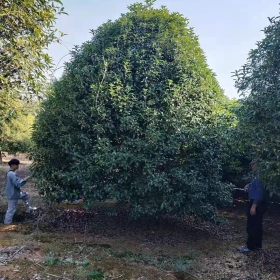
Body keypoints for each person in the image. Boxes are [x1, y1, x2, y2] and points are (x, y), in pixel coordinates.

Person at [237, 160, 267, 253]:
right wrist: (249, 184)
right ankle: (257, 245)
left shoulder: (260, 176)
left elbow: (260, 192)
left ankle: (250, 247)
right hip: (258, 203)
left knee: (252, 225)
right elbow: (256, 187)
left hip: (256, 203)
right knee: (257, 225)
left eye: (253, 164)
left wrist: (254, 206)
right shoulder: (258, 175)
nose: (251, 166)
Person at [3, 158, 36, 225]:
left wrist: (21, 190)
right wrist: (27, 178)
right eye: (17, 165)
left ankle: (28, 209)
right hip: (13, 194)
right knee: (11, 210)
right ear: (13, 165)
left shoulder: (10, 173)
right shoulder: (12, 174)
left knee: (25, 195)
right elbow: (18, 184)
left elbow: (14, 184)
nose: (18, 166)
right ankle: (6, 223)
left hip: (14, 193)